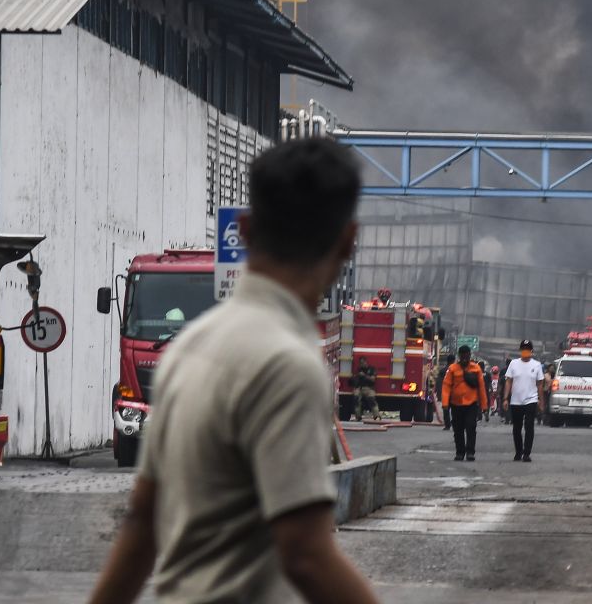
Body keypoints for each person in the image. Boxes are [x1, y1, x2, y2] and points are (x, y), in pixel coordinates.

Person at [88, 138, 378, 604]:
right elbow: (304, 552)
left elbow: (143, 520)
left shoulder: (189, 350)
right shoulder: (288, 364)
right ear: (347, 241)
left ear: (243, 231)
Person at [442, 344, 487, 461]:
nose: (464, 359)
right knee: (458, 429)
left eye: (466, 356)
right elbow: (446, 387)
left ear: (470, 356)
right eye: (462, 357)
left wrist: (484, 405)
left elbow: (481, 388)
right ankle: (460, 452)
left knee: (471, 427)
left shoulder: (476, 369)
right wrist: (445, 404)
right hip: (456, 404)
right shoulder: (452, 369)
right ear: (459, 356)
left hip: (471, 404)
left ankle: (470, 452)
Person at [503, 339, 545, 462]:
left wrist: (541, 401)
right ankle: (518, 452)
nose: (525, 351)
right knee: (516, 427)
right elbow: (508, 381)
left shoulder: (536, 365)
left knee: (529, 426)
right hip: (516, 401)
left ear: (531, 351)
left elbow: (540, 385)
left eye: (528, 349)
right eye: (523, 349)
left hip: (531, 400)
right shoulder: (513, 364)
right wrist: (505, 398)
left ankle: (526, 453)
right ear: (521, 351)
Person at [436, 356, 454, 430]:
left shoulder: (442, 371)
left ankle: (447, 425)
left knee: (446, 410)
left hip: (446, 394)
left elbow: (439, 383)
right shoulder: (456, 370)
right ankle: (454, 423)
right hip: (455, 394)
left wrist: (439, 394)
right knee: (455, 410)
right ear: (453, 361)